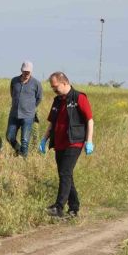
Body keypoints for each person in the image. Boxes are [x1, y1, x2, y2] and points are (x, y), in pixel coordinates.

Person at [39, 72, 94, 218]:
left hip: (74, 142)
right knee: (66, 174)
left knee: (65, 173)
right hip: (59, 143)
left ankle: (58, 207)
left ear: (64, 83)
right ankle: (74, 208)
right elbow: (52, 122)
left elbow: (90, 120)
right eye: (52, 87)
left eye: (55, 86)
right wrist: (44, 139)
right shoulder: (57, 100)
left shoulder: (79, 98)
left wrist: (89, 141)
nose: (54, 89)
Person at [6, 61, 42, 157]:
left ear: (31, 71)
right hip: (14, 114)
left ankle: (23, 160)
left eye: (28, 72)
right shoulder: (14, 81)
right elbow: (12, 94)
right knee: (9, 137)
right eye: (25, 71)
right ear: (21, 70)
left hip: (28, 116)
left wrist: (30, 107)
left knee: (25, 140)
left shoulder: (36, 83)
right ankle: (19, 150)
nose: (26, 73)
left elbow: (39, 98)